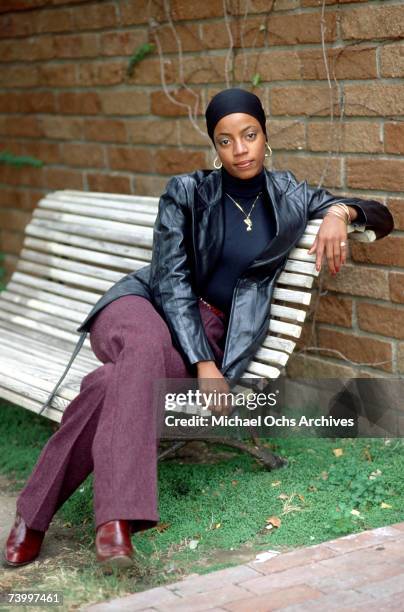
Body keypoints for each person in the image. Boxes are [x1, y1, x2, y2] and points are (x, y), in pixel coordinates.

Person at [3, 88, 394, 570]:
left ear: (265, 136)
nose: (240, 149)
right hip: (141, 307)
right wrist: (206, 366)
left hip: (207, 335)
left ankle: (31, 517)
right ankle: (116, 525)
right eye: (226, 140)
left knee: (111, 386)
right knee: (143, 348)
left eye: (249, 135)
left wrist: (338, 212)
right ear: (215, 146)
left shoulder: (292, 196)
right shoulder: (187, 192)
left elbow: (381, 215)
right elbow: (170, 280)